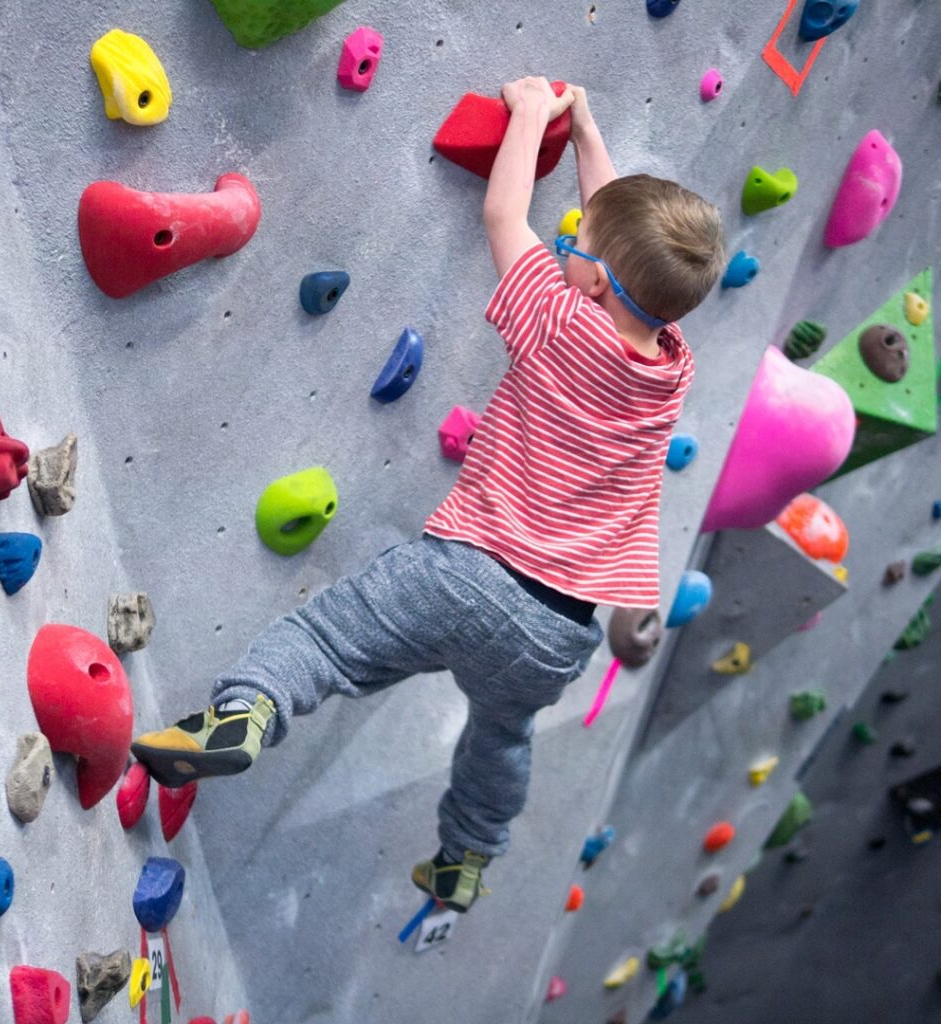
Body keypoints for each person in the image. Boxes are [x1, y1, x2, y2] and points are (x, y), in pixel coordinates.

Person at [131, 79, 725, 914]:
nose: (569, 242)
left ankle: (244, 713)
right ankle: (467, 857)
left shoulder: (557, 320)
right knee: (500, 737)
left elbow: (504, 217)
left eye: (578, 244)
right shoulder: (669, 367)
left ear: (590, 282)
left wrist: (528, 119)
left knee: (327, 642)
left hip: (466, 571)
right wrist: (589, 130)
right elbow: (624, 240)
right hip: (558, 633)